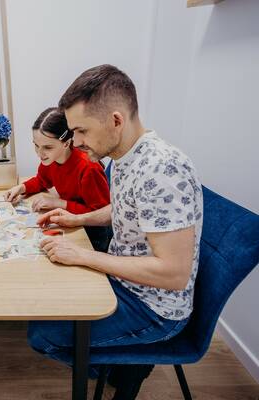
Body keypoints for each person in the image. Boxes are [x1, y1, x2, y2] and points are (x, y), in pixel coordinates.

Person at [28, 65, 203, 399]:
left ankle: (122, 366)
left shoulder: (161, 169)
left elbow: (174, 273)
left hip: (154, 307)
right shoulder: (126, 156)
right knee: (48, 298)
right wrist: (77, 219)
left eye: (81, 131)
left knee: (42, 335)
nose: (76, 141)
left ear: (116, 120)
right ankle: (119, 364)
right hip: (125, 280)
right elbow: (124, 209)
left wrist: (83, 256)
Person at [4, 107, 111, 250]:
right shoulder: (51, 159)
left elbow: (100, 214)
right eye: (36, 145)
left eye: (47, 147)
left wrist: (59, 203)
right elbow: (41, 180)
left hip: (92, 234)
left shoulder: (89, 168)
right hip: (70, 224)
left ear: (66, 143)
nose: (39, 153)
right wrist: (21, 188)